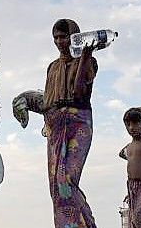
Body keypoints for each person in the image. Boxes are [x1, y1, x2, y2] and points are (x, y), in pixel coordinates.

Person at [43, 18, 98, 228]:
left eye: (63, 37)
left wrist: (84, 57)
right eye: (56, 37)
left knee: (67, 179)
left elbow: (78, 92)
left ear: (74, 37)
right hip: (56, 125)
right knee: (56, 183)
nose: (59, 41)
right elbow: (48, 101)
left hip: (78, 122)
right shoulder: (53, 67)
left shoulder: (89, 62)